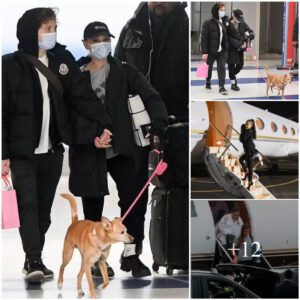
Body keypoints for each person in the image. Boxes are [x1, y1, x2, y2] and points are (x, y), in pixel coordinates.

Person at [2, 8, 111, 283]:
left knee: (44, 210)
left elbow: (82, 97)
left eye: (53, 28)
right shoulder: (9, 65)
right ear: (31, 31)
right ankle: (34, 259)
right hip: (21, 152)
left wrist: (104, 125)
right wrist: (3, 153)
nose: (51, 34)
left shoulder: (61, 61)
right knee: (27, 205)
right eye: (46, 28)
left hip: (52, 150)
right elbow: (1, 112)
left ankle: (32, 256)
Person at [71, 21, 168, 278]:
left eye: (105, 38)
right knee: (92, 209)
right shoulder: (76, 75)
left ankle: (132, 255)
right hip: (89, 151)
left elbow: (152, 97)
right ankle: (96, 261)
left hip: (124, 149)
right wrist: (91, 137)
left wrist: (158, 128)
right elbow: (70, 115)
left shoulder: (125, 71)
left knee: (135, 203)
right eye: (95, 39)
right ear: (86, 44)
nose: (101, 44)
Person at [201, 2, 229, 95]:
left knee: (221, 68)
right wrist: (205, 52)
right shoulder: (207, 23)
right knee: (209, 67)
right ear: (216, 11)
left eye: (224, 10)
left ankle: (222, 87)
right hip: (211, 50)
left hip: (222, 50)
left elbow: (231, 34)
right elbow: (204, 38)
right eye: (221, 10)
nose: (223, 12)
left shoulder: (225, 22)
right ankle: (208, 81)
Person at [227, 9, 254, 91]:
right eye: (238, 18)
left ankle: (231, 75)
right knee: (231, 65)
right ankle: (233, 84)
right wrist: (239, 44)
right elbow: (228, 38)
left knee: (240, 65)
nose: (239, 21)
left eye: (240, 19)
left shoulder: (242, 23)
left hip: (240, 49)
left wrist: (249, 38)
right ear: (233, 16)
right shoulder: (227, 24)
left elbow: (251, 32)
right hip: (231, 48)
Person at [239, 119, 257, 190]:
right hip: (248, 151)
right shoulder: (247, 131)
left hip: (250, 151)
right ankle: (246, 172)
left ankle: (250, 182)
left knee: (250, 167)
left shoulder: (248, 131)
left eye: (247, 124)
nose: (246, 125)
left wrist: (242, 131)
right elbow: (242, 140)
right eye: (245, 124)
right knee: (240, 159)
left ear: (251, 125)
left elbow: (242, 139)